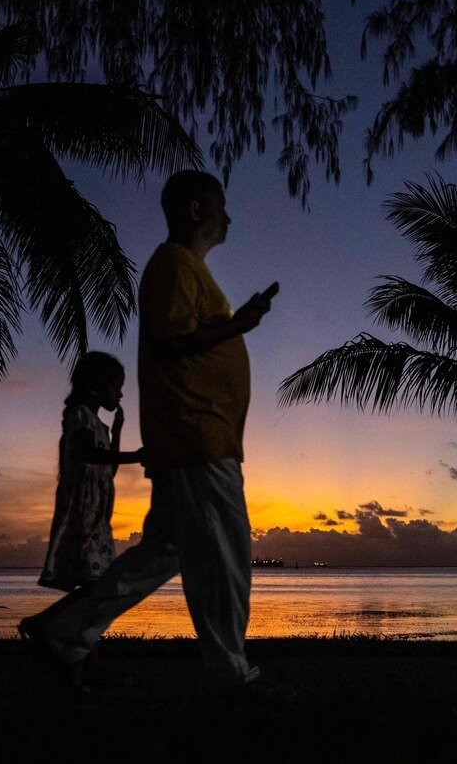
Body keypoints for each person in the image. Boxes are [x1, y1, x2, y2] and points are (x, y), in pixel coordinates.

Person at [34, 170, 275, 691]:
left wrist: (238, 322)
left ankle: (67, 632)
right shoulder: (173, 264)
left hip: (190, 439)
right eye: (220, 205)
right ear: (195, 210)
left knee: (163, 553)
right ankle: (232, 675)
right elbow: (172, 345)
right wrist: (241, 323)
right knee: (222, 557)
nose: (228, 216)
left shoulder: (186, 269)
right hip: (195, 437)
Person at [20, 352, 142, 632]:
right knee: (96, 585)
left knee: (97, 585)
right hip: (82, 513)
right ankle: (56, 633)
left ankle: (45, 626)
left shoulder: (100, 426)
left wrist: (118, 432)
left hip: (97, 516)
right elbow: (89, 455)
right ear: (96, 386)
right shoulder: (79, 417)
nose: (120, 395)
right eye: (117, 387)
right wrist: (134, 456)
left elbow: (107, 470)